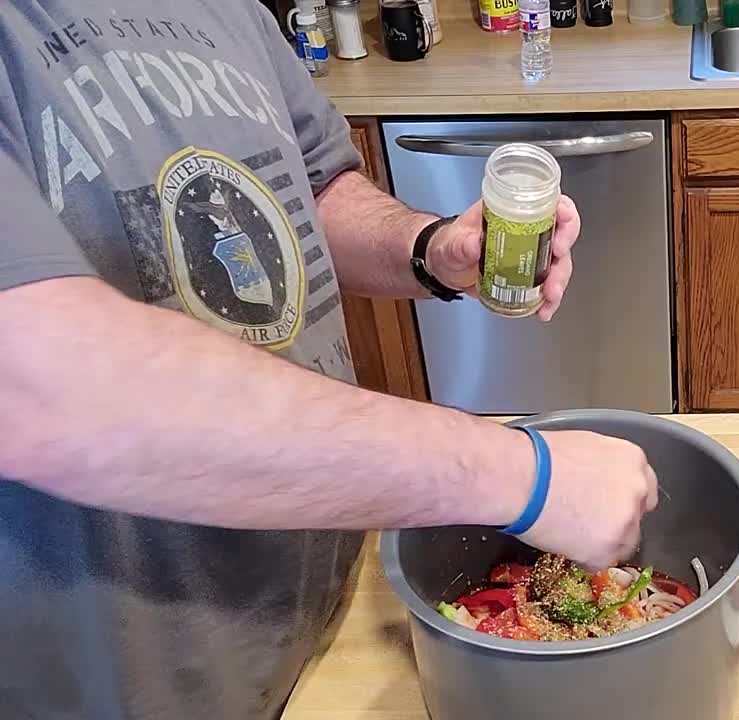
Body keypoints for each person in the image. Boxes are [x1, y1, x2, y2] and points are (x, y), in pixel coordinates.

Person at [0, 2, 658, 719]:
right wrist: (520, 476)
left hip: (329, 609)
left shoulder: (232, 11)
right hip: (144, 678)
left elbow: (311, 188)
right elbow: (37, 380)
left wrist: (430, 249)